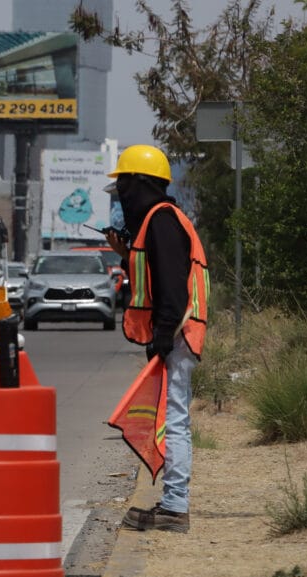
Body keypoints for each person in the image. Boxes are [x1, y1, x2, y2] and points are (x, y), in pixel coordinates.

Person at [102, 144, 209, 533]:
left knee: (175, 419)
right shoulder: (156, 222)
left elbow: (172, 289)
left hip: (178, 334)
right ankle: (171, 503)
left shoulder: (162, 220)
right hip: (175, 334)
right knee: (171, 417)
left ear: (140, 184)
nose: (122, 198)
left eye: (124, 187)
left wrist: (164, 335)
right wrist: (126, 252)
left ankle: (175, 507)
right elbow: (154, 272)